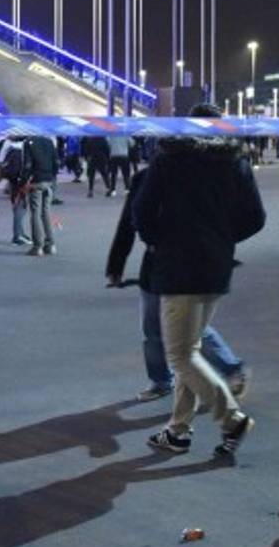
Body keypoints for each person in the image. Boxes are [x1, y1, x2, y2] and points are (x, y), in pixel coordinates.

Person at [132, 104, 266, 458]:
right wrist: (222, 238)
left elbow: (142, 212)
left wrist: (161, 240)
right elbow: (256, 217)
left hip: (178, 266)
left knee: (179, 356)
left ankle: (231, 418)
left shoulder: (170, 159)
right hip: (216, 266)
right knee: (189, 349)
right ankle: (178, 431)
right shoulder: (236, 162)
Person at [107, 165, 250, 402]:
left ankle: (231, 370)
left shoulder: (202, 175)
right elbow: (128, 222)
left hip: (190, 264)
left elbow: (246, 216)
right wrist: (116, 264)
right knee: (152, 328)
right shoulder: (144, 178)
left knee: (190, 328)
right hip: (156, 265)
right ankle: (161, 380)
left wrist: (218, 243)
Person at [23, 135, 59, 256]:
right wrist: (51, 177)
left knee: (35, 213)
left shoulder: (28, 142)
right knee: (46, 212)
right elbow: (56, 162)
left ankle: (37, 246)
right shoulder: (49, 141)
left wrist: (24, 181)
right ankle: (51, 244)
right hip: (48, 180)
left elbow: (27, 165)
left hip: (36, 181)